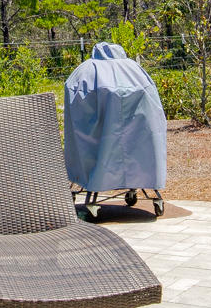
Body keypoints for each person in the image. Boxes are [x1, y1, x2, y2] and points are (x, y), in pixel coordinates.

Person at [63, 42, 167, 213]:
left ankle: (96, 184)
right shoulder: (134, 71)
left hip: (102, 137)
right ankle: (138, 184)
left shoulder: (85, 72)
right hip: (136, 129)